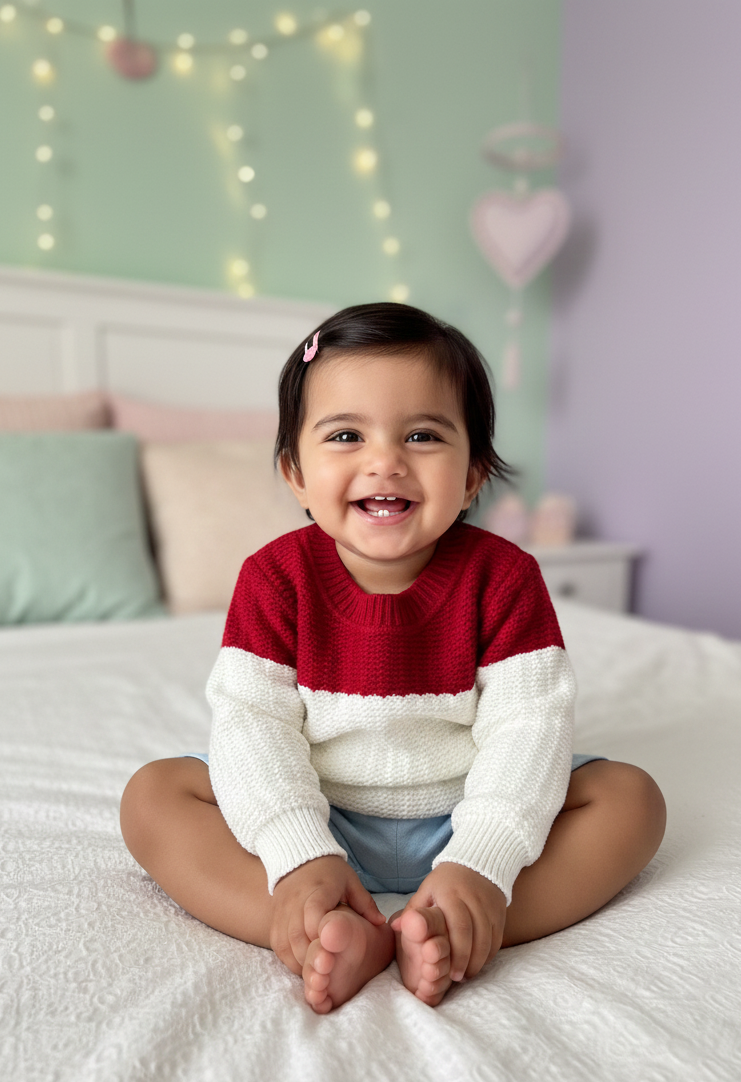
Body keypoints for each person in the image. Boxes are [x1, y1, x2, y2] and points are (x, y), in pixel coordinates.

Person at [120, 303, 666, 1014]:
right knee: (154, 796)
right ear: (294, 472)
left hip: (465, 806)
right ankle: (314, 923)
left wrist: (483, 860)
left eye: (422, 434)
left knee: (632, 801)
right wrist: (298, 854)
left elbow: (529, 726)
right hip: (325, 813)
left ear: (473, 475)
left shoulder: (504, 577)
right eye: (346, 435)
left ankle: (462, 918)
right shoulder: (274, 577)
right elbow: (253, 724)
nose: (385, 460)